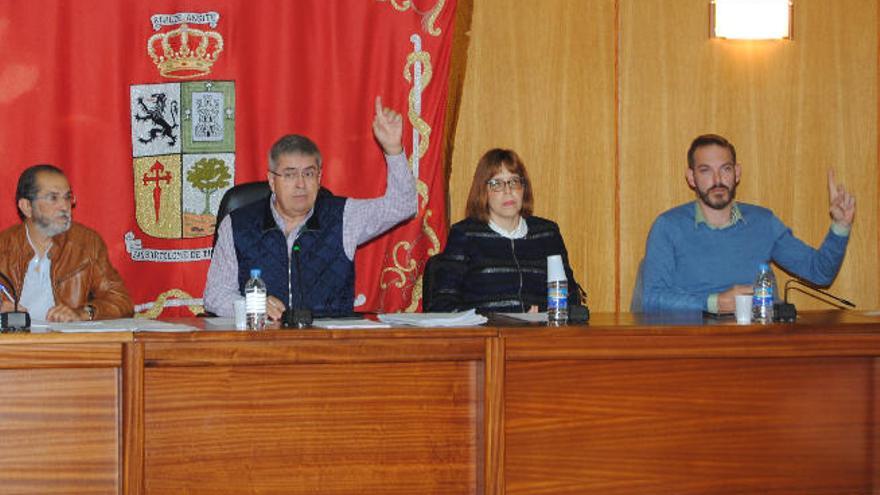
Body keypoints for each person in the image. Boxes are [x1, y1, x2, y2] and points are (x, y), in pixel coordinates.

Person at [204, 96, 417, 318]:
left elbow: (402, 205)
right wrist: (252, 306)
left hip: (328, 343)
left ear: (319, 178)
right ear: (271, 180)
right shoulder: (238, 224)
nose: (300, 184)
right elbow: (215, 294)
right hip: (262, 344)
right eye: (289, 174)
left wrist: (393, 150)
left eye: (308, 173)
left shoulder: (343, 217)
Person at [638, 133, 856, 313]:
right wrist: (713, 304)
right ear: (691, 177)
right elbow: (652, 298)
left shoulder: (763, 222)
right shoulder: (668, 226)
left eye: (725, 169)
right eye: (706, 171)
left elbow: (819, 272)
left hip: (758, 343)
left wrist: (840, 226)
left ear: (737, 173)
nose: (717, 180)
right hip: (695, 345)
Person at [430, 148, 582, 313]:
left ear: (524, 188)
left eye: (514, 181)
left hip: (539, 335)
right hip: (485, 336)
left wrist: (543, 312)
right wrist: (489, 319)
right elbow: (442, 304)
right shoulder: (465, 235)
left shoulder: (547, 233)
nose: (508, 191)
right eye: (497, 184)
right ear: (483, 192)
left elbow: (571, 298)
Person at [0, 164, 134, 322]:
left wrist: (83, 313)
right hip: (14, 344)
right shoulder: (4, 246)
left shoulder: (86, 243)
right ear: (27, 207)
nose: (65, 206)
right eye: (53, 198)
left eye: (67, 197)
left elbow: (121, 301)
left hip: (68, 344)